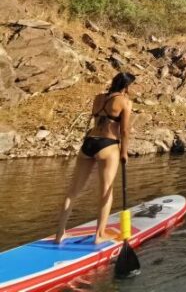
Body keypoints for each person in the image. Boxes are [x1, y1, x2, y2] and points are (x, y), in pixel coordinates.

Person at [55, 72, 135, 245]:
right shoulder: (125, 101)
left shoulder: (98, 98)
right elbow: (124, 130)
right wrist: (124, 152)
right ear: (126, 87)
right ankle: (99, 235)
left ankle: (59, 234)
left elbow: (97, 120)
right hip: (108, 145)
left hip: (89, 143)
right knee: (106, 191)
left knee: (72, 191)